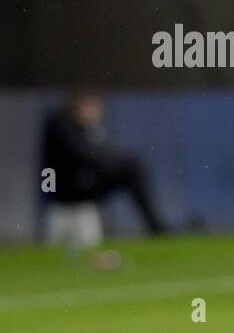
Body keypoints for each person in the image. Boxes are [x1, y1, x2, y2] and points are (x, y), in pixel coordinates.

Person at [40, 91, 167, 239]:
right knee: (130, 167)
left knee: (132, 167)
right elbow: (86, 156)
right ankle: (157, 228)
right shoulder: (61, 126)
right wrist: (116, 163)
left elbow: (100, 156)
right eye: (91, 107)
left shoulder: (90, 128)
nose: (95, 112)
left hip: (83, 186)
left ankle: (156, 228)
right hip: (64, 192)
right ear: (79, 106)